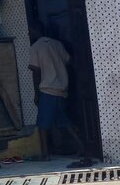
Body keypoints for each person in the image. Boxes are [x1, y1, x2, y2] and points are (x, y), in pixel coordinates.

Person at [27, 20, 84, 160]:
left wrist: (36, 93)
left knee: (42, 125)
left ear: (35, 31)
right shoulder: (58, 44)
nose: (29, 33)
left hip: (47, 90)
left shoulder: (35, 47)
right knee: (64, 121)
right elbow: (70, 62)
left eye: (30, 31)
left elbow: (36, 72)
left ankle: (45, 154)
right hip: (61, 89)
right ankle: (82, 147)